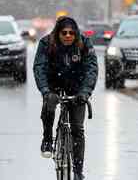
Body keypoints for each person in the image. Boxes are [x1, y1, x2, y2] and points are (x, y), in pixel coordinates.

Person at [33, 16, 98, 180]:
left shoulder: (84, 44)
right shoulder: (46, 44)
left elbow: (91, 69)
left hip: (77, 87)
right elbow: (39, 68)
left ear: (76, 34)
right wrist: (46, 91)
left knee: (78, 129)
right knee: (49, 105)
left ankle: (77, 171)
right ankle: (47, 138)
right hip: (53, 84)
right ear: (58, 34)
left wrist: (85, 93)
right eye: (64, 33)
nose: (68, 36)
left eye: (71, 33)